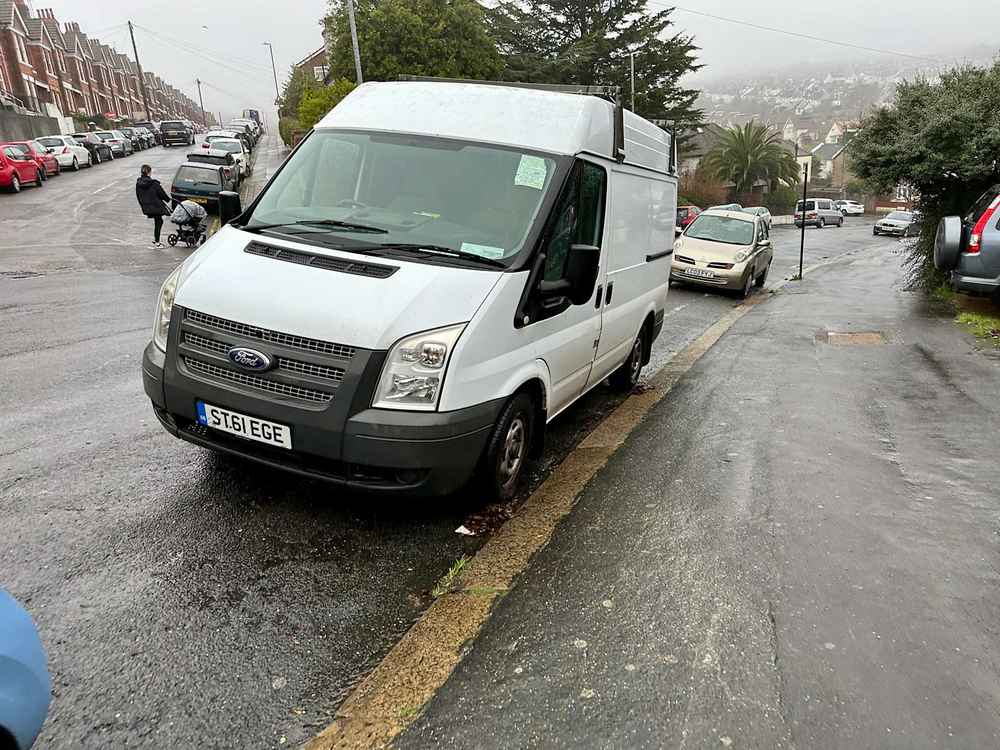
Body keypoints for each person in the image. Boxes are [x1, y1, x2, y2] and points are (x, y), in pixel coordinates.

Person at [135, 164, 171, 248]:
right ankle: (157, 242)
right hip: (156, 206)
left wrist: (143, 205)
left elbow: (138, 195)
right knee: (159, 221)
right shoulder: (153, 183)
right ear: (149, 172)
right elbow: (161, 193)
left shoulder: (138, 183)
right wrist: (168, 199)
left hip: (146, 206)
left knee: (158, 221)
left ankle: (156, 240)